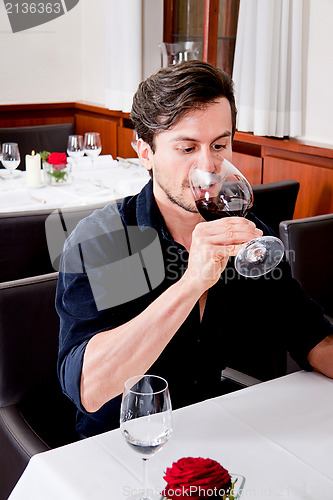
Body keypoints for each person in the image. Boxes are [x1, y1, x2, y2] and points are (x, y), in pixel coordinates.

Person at [56, 61, 333, 438]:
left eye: (219, 145)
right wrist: (191, 283)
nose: (209, 166)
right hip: (120, 445)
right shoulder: (106, 242)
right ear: (145, 151)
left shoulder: (246, 236)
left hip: (212, 428)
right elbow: (90, 389)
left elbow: (312, 337)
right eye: (187, 147)